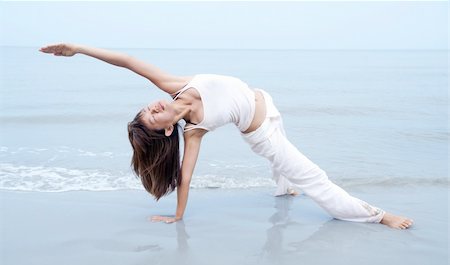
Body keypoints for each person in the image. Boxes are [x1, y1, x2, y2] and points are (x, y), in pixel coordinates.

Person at [39, 43, 414, 229]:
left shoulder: (174, 86)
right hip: (263, 134)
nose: (153, 105)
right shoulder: (194, 132)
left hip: (267, 101)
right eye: (153, 116)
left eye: (147, 107)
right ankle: (378, 216)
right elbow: (186, 176)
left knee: (286, 176)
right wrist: (178, 216)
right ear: (167, 128)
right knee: (311, 176)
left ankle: (285, 190)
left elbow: (128, 61)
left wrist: (79, 48)